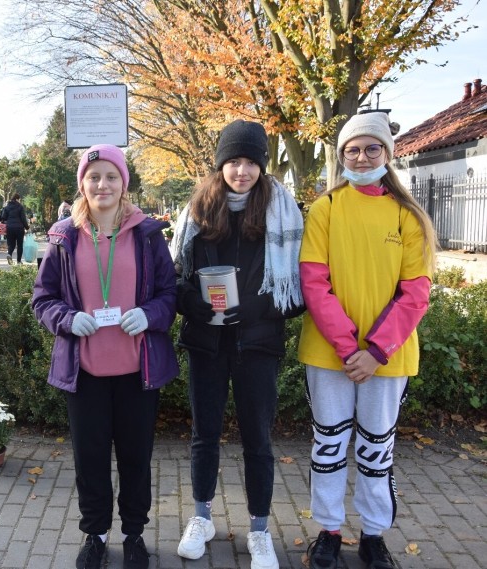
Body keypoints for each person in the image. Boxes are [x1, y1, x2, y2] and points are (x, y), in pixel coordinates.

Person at [32, 144, 179, 569]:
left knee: (136, 457)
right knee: (90, 459)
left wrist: (149, 314)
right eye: (94, 176)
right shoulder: (63, 237)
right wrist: (65, 318)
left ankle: (134, 534)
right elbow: (43, 298)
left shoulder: (148, 233)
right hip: (86, 372)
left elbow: (170, 295)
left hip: (138, 370)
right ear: (82, 183)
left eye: (111, 176)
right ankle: (95, 534)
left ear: (124, 183)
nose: (102, 184)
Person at [300, 112, 436, 569]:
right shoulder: (326, 209)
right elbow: (314, 283)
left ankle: (374, 533)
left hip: (387, 358)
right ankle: (329, 529)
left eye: (371, 148)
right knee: (329, 445)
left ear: (387, 154)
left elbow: (415, 292)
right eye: (352, 150)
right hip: (329, 354)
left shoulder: (407, 215)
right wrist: (348, 348)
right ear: (341, 157)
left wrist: (375, 351)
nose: (361, 156)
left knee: (377, 448)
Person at [170, 120, 305, 568]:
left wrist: (255, 308)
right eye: (234, 161)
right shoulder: (198, 211)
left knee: (257, 440)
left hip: (257, 344)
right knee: (204, 435)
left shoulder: (282, 213)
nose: (242, 171)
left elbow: (298, 294)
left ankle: (260, 529)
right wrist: (194, 304)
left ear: (262, 166)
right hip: (207, 342)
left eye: (250, 162)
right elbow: (176, 281)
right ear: (220, 163)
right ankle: (203, 516)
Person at [0, 192, 29, 264]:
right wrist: (27, 227)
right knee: (20, 245)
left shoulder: (7, 207)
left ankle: (9, 254)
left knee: (11, 244)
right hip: (19, 228)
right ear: (18, 199)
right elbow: (23, 219)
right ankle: (18, 261)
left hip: (10, 228)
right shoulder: (20, 207)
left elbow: (3, 217)